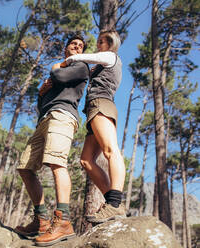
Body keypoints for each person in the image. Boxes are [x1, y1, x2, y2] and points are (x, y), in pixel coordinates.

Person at [14, 34, 89, 247]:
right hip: (44, 119)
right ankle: (41, 219)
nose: (77, 47)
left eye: (80, 46)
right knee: (25, 167)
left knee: (57, 162)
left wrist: (56, 69)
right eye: (73, 44)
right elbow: (43, 101)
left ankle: (63, 220)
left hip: (63, 116)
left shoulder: (81, 66)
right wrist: (41, 92)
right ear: (66, 48)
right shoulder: (60, 70)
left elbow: (60, 78)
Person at [65, 30, 126, 224]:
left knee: (110, 150)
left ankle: (115, 203)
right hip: (93, 109)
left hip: (102, 104)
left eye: (101, 41)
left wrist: (72, 58)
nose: (98, 44)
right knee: (86, 160)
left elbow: (91, 58)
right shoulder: (102, 64)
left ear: (110, 43)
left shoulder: (109, 56)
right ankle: (112, 203)